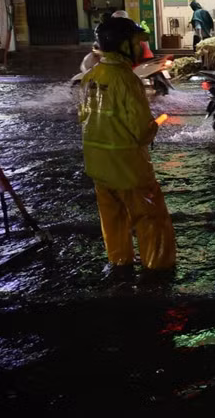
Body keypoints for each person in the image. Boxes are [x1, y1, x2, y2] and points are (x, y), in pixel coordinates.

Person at [79, 16, 176, 271]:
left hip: (98, 167)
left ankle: (119, 266)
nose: (139, 48)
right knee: (151, 220)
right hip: (129, 170)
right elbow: (142, 132)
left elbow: (85, 118)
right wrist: (159, 123)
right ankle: (157, 273)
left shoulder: (90, 76)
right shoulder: (127, 80)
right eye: (135, 42)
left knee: (114, 222)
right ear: (122, 45)